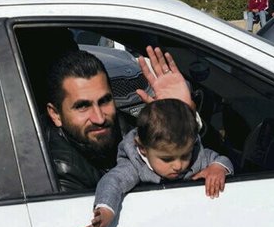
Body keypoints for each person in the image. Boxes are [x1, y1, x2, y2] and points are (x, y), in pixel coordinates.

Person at [44, 46, 195, 192]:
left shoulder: (125, 126)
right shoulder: (57, 175)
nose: (99, 118)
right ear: (55, 114)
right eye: (83, 106)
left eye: (104, 101)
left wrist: (179, 117)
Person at [80, 99, 231, 227]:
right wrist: (106, 209)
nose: (178, 165)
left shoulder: (196, 154)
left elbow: (221, 160)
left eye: (185, 156)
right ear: (142, 148)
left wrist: (218, 168)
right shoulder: (135, 165)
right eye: (167, 159)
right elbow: (113, 181)